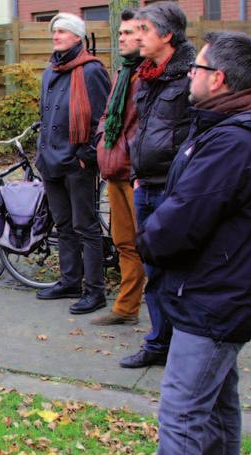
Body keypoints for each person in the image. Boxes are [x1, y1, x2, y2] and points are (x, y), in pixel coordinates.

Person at [136, 32, 251, 455]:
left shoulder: (232, 143)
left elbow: (182, 219)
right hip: (220, 291)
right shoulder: (225, 128)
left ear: (217, 79)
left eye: (196, 69)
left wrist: (146, 241)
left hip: (216, 299)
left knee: (182, 412)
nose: (189, 77)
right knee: (217, 404)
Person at [119, 1, 196, 369]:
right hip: (145, 183)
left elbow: (197, 135)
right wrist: (135, 171)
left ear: (167, 35)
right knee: (153, 267)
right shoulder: (147, 74)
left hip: (172, 187)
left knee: (177, 270)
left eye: (144, 30)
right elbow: (144, 129)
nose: (137, 37)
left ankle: (182, 345)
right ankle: (158, 342)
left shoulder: (191, 76)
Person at [33, 13, 111, 315]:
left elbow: (100, 120)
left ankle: (95, 291)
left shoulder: (91, 71)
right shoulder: (50, 70)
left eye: (63, 31)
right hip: (50, 162)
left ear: (78, 37)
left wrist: (85, 157)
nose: (56, 35)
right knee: (63, 225)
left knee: (85, 227)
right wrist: (41, 155)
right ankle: (70, 281)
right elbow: (45, 116)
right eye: (54, 31)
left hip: (76, 163)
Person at [90, 9, 147, 326]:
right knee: (124, 242)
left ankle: (164, 317)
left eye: (128, 33)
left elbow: (151, 127)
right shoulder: (124, 73)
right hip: (115, 169)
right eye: (120, 33)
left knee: (148, 244)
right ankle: (126, 308)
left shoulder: (151, 75)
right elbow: (107, 115)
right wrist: (103, 140)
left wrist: (126, 150)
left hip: (137, 173)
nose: (121, 38)